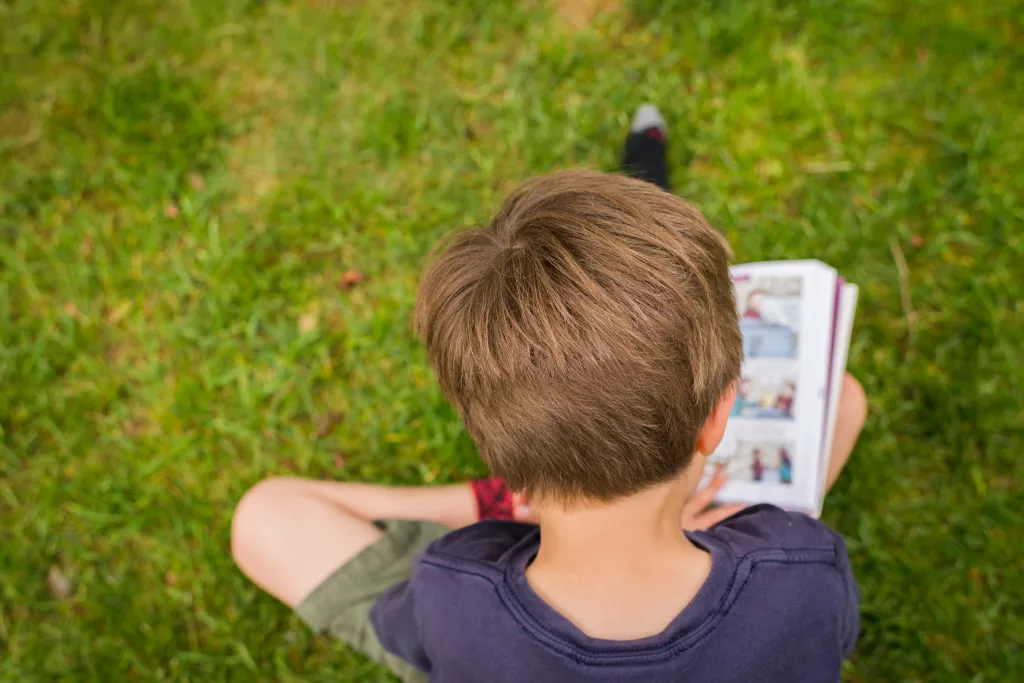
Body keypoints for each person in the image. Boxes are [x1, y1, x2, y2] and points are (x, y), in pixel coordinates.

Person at [231, 106, 868, 683]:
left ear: (502, 460)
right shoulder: (800, 569)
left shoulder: (456, 589)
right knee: (842, 400)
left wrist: (495, 507)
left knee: (265, 514)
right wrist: (711, 544)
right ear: (716, 418)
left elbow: (289, 519)